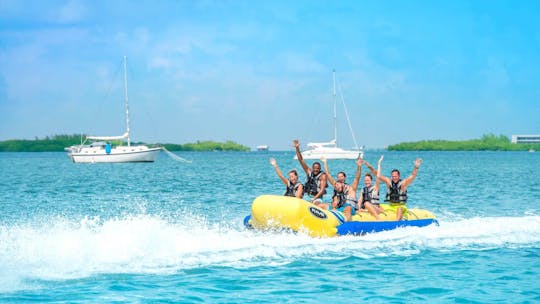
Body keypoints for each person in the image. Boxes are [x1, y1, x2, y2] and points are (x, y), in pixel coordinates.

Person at [321, 156, 362, 222]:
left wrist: (359, 166)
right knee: (321, 205)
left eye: (341, 176)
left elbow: (357, 178)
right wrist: (325, 162)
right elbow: (328, 175)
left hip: (348, 208)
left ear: (345, 177)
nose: (340, 178)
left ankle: (346, 223)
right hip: (339, 208)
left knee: (348, 208)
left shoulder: (351, 188)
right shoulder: (336, 185)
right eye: (338, 177)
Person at [293, 139, 327, 205]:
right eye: (314, 168)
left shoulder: (322, 176)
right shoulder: (309, 172)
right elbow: (301, 159)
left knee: (316, 204)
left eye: (317, 168)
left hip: (317, 198)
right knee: (297, 201)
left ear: (320, 169)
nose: (315, 170)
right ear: (312, 168)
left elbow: (322, 190)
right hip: (307, 196)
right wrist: (297, 148)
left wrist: (313, 199)